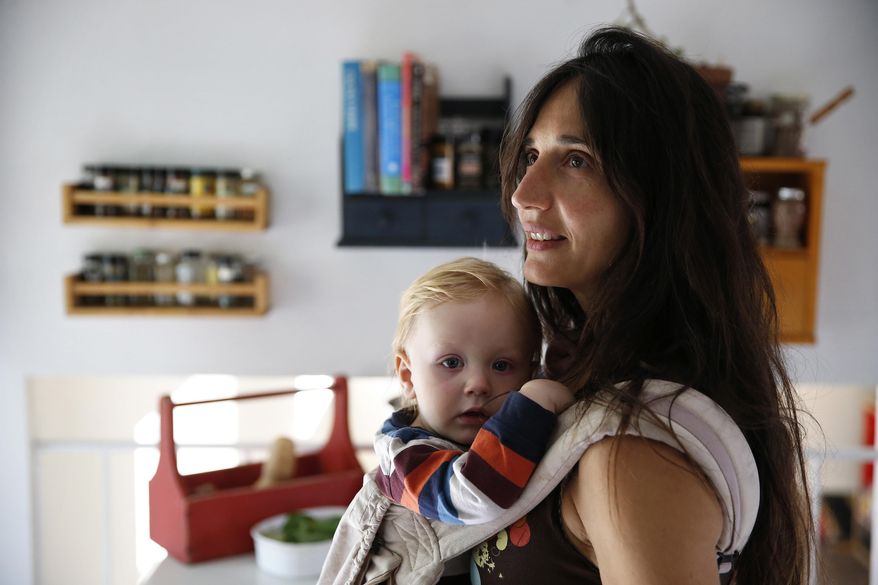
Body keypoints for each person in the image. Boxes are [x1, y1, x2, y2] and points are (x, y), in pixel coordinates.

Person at [320, 26, 812, 585]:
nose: (522, 192)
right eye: (530, 154)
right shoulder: (565, 378)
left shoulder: (628, 453)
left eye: (576, 159)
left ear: (661, 195)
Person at [374, 257, 573, 526]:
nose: (478, 384)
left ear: (529, 374)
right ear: (408, 377)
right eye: (451, 363)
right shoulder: (405, 460)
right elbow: (476, 497)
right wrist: (532, 405)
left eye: (502, 365)